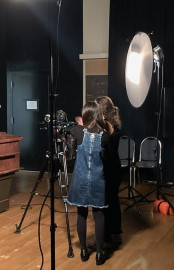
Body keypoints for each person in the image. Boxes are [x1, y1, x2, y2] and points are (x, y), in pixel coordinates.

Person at [67, 101, 110, 265]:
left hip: (81, 179)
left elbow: (70, 127)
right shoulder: (105, 136)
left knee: (81, 214)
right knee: (99, 216)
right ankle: (99, 253)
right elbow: (108, 159)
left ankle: (84, 251)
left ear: (84, 116)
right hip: (99, 179)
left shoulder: (78, 131)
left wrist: (79, 122)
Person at [96, 96, 123, 249]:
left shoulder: (107, 126)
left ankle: (105, 238)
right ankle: (115, 234)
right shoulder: (115, 123)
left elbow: (106, 146)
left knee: (107, 203)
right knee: (113, 202)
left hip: (109, 169)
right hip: (115, 168)